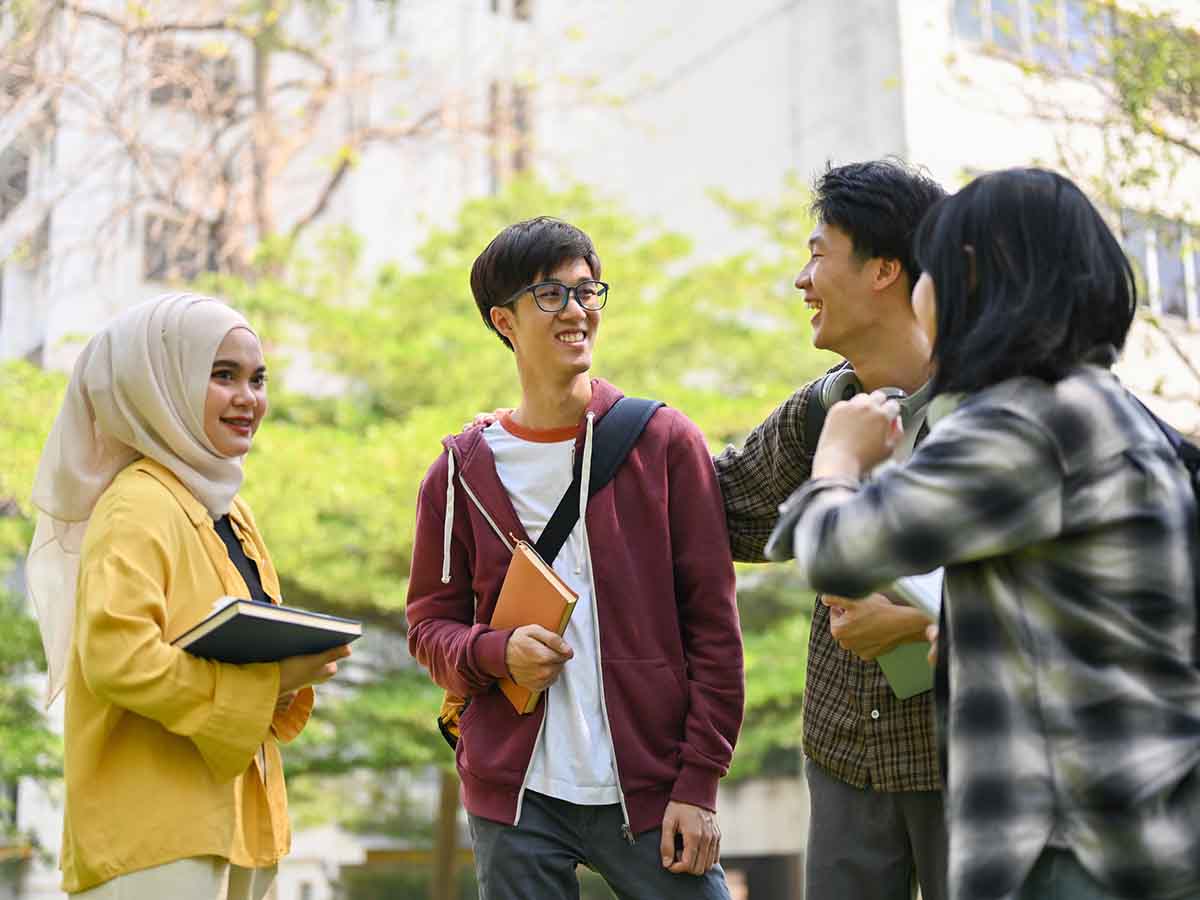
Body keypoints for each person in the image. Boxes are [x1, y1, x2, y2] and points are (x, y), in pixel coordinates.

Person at [781, 168, 1200, 900]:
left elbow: (834, 547)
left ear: (976, 280)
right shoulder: (1108, 412)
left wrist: (840, 455)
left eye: (932, 272)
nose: (920, 292)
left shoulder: (1024, 419)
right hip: (1140, 829)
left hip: (1072, 845)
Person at [406, 217, 743, 900]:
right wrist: (499, 652)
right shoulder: (459, 472)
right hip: (515, 796)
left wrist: (700, 781)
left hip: (651, 790)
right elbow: (427, 629)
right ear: (504, 320)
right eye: (551, 295)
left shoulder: (664, 442)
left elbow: (713, 624)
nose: (578, 311)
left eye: (588, 292)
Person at [25, 293, 350, 899]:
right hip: (154, 839)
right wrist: (271, 681)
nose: (247, 399)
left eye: (257, 379)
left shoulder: (227, 508)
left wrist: (293, 665)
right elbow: (118, 657)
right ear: (159, 382)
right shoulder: (136, 504)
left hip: (235, 826)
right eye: (221, 375)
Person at [713, 159, 949, 900]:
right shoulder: (823, 409)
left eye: (818, 253)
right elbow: (720, 507)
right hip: (849, 752)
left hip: (971, 755)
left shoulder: (997, 414)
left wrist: (916, 622)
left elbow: (1063, 587)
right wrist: (569, 418)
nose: (801, 278)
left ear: (884, 269)